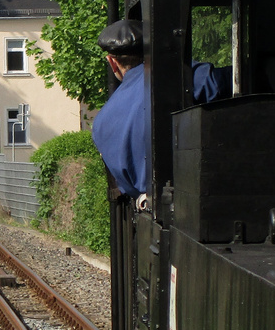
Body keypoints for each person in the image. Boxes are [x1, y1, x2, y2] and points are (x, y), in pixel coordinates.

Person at [90, 18, 231, 210]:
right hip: (210, 201)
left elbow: (126, 187)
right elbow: (235, 80)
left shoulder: (100, 123)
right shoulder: (186, 76)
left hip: (151, 216)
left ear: (112, 62)